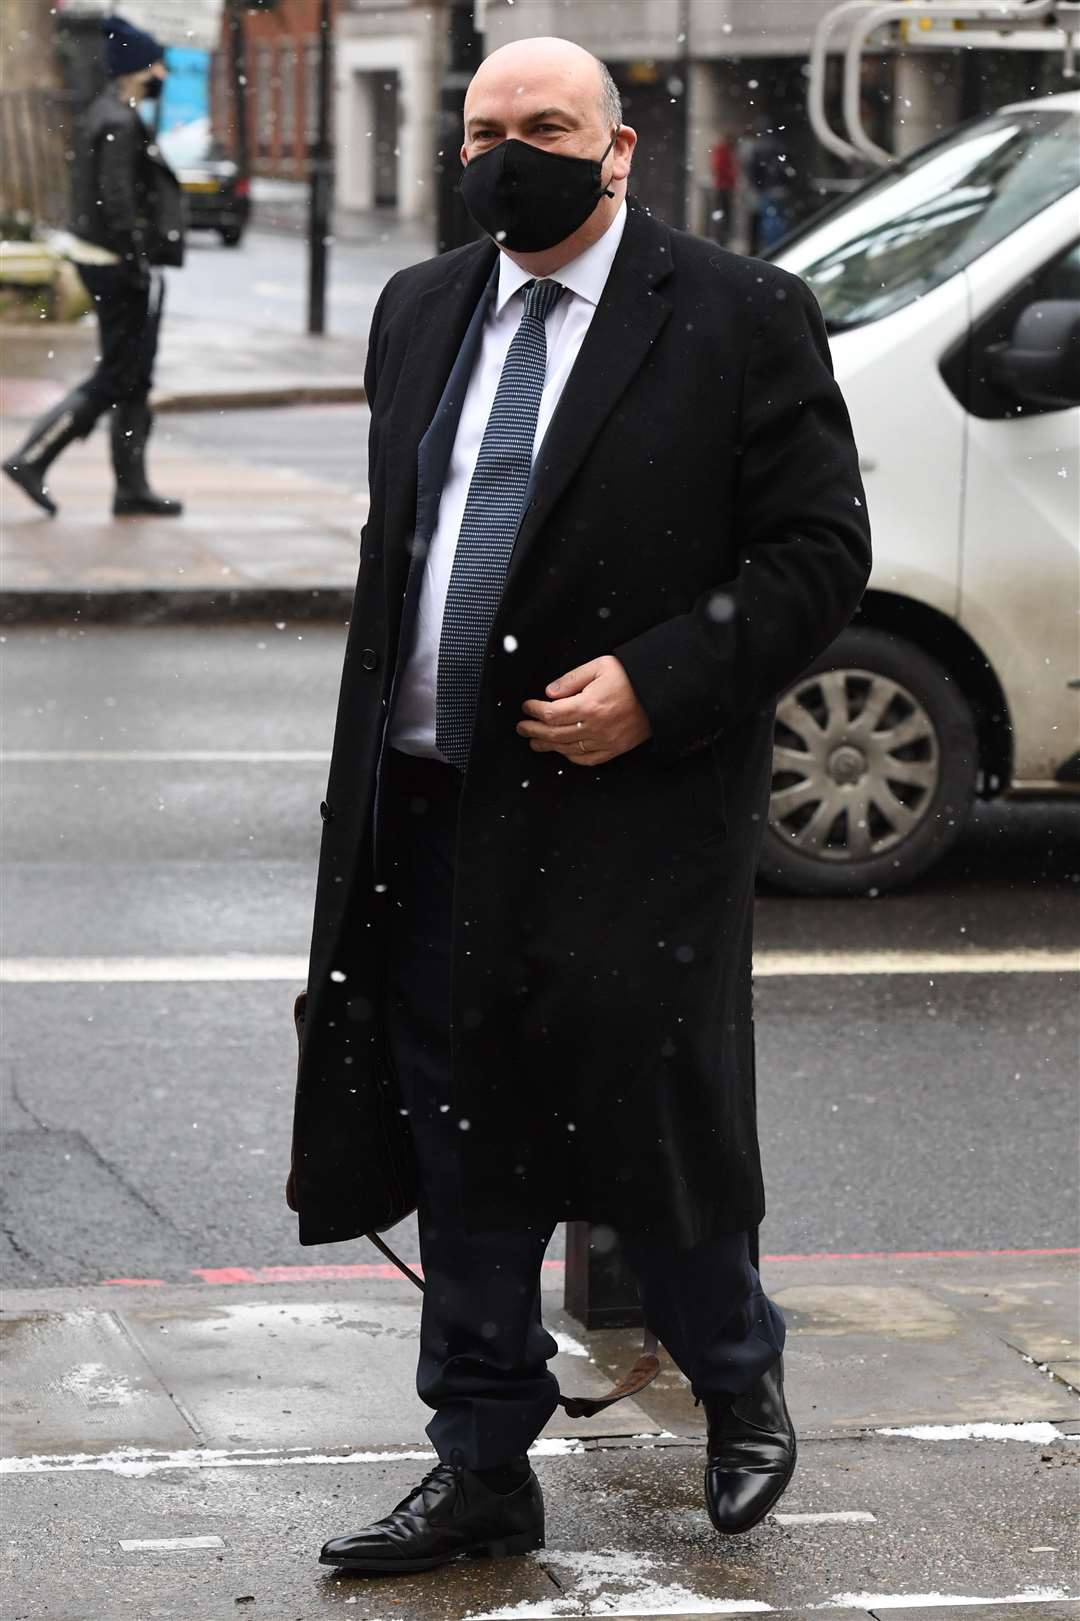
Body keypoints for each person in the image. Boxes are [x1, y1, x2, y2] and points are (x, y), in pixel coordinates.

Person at [288, 35, 871, 1577]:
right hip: (432, 807)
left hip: (627, 812)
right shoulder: (421, 309)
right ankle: (480, 1464)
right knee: (464, 1152)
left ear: (617, 150)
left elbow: (818, 554)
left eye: (543, 125)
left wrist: (661, 681)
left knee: (649, 1128)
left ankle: (739, 1382)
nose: (506, 153)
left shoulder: (740, 315)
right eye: (483, 130)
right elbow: (402, 549)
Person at [2, 14, 184, 518]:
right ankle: (33, 457)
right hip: (117, 265)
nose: (162, 76)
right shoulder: (118, 122)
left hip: (111, 261)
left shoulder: (111, 114)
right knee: (117, 373)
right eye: (155, 65)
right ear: (134, 68)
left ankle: (131, 487)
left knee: (133, 377)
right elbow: (117, 200)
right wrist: (137, 257)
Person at [708, 129, 738, 245]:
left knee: (724, 214)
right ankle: (721, 238)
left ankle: (722, 237)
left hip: (725, 186)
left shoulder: (725, 150)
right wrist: (730, 175)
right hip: (723, 186)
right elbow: (719, 167)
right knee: (723, 214)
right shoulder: (722, 150)